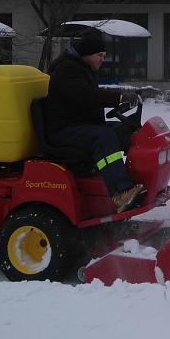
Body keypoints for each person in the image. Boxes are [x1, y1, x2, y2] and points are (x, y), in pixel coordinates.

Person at [45, 35, 144, 213]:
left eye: (104, 56)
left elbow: (89, 97)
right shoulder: (67, 69)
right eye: (99, 55)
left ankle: (136, 183)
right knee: (103, 137)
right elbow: (86, 96)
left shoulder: (83, 68)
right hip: (63, 130)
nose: (102, 60)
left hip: (79, 124)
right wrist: (120, 97)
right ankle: (120, 192)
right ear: (86, 53)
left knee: (125, 130)